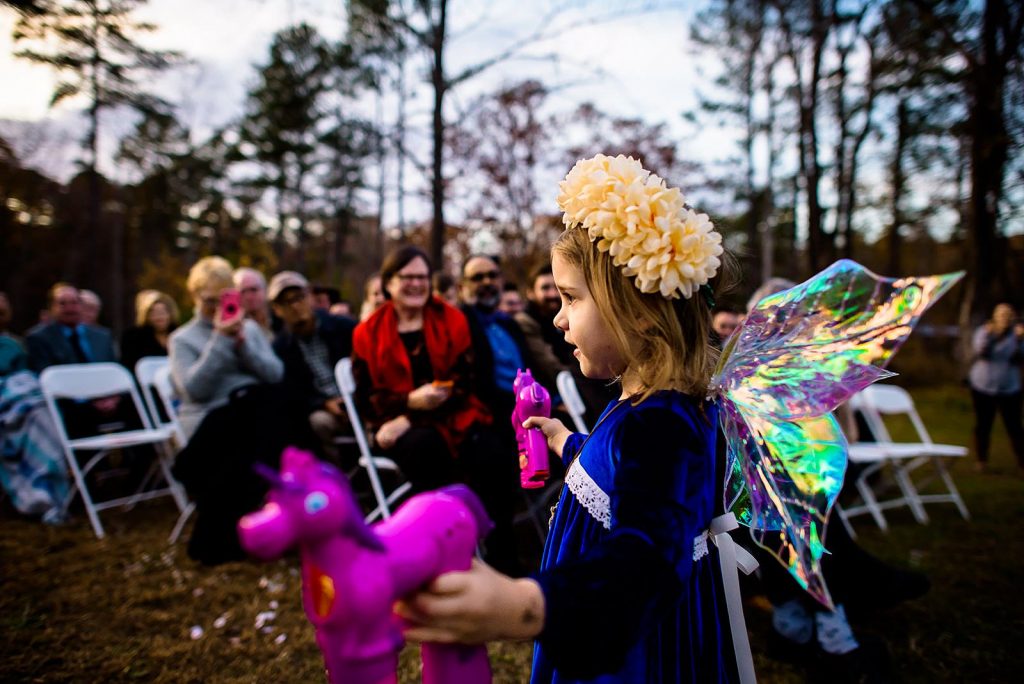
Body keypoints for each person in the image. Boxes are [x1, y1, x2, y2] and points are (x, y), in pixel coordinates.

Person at [398, 154, 734, 682]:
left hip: (634, 652)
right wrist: (564, 442)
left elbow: (646, 553)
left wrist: (522, 605)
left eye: (571, 298)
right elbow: (621, 473)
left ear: (638, 311)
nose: (557, 317)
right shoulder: (644, 401)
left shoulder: (666, 424)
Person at [351, 245, 522, 575]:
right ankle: (444, 557)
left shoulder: (451, 319)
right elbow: (368, 398)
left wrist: (411, 412)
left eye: (422, 277)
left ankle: (503, 559)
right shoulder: (367, 333)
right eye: (407, 277)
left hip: (454, 413)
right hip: (398, 429)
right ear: (388, 283)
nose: (416, 284)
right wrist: (407, 405)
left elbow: (464, 382)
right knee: (425, 448)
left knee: (491, 451)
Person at [168, 257, 284, 440]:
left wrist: (244, 347)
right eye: (209, 301)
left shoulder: (250, 328)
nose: (216, 307)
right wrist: (221, 339)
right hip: (209, 419)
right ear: (194, 296)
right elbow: (194, 392)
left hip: (254, 411)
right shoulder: (182, 339)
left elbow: (275, 375)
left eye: (221, 299)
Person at [515, 263, 619, 425]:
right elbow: (548, 364)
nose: (552, 294)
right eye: (545, 288)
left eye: (556, 288)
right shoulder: (526, 322)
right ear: (530, 293)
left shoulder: (559, 317)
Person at [269, 270, 356, 462]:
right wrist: (324, 404)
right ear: (277, 309)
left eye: (299, 297)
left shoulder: (343, 327)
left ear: (310, 297)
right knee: (318, 423)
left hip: (359, 398)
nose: (295, 306)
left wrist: (355, 398)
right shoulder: (280, 349)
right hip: (322, 410)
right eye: (286, 302)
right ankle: (338, 480)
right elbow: (291, 393)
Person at [968, 302, 1024, 472]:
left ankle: (1022, 462)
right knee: (984, 424)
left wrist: (1020, 340)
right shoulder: (985, 331)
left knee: (1014, 426)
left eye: (1008, 314)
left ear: (1013, 317)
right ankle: (982, 460)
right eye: (1001, 314)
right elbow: (980, 351)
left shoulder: (1017, 335)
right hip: (983, 384)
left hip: (1009, 386)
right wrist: (990, 335)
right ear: (995, 316)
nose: (1004, 318)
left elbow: (1020, 357)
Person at [26, 283, 117, 372]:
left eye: (74, 303)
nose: (69, 309)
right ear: (52, 307)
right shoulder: (39, 339)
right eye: (62, 304)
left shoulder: (102, 337)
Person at [120, 290, 179, 371]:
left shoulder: (179, 334)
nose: (159, 317)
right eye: (154, 313)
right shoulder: (133, 337)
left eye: (163, 312)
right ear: (146, 315)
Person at [233, 267, 274, 341]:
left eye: (254, 289)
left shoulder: (281, 320)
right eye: (243, 291)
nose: (249, 297)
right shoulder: (233, 328)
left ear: (265, 290)